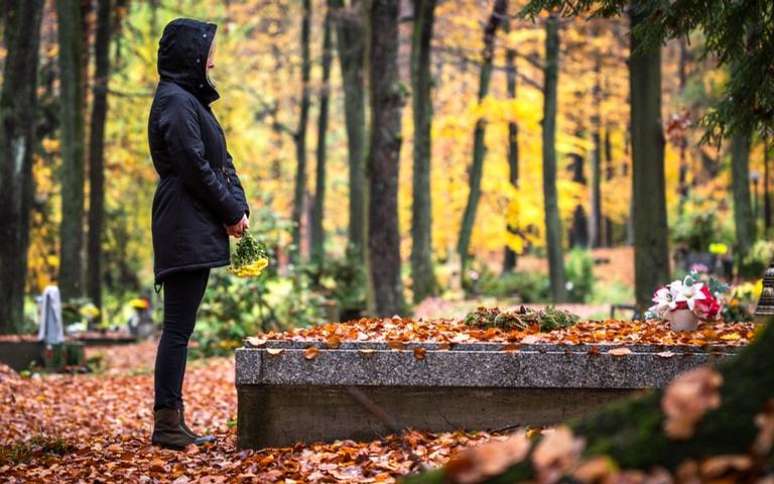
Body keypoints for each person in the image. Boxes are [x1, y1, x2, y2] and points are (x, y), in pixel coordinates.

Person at [148, 18, 249, 450]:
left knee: (180, 328)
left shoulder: (191, 102)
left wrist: (238, 206)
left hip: (194, 222)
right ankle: (167, 423)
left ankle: (171, 422)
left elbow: (222, 160)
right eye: (209, 49)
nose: (214, 57)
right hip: (182, 224)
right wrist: (227, 210)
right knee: (177, 329)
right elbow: (193, 164)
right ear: (192, 53)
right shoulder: (174, 102)